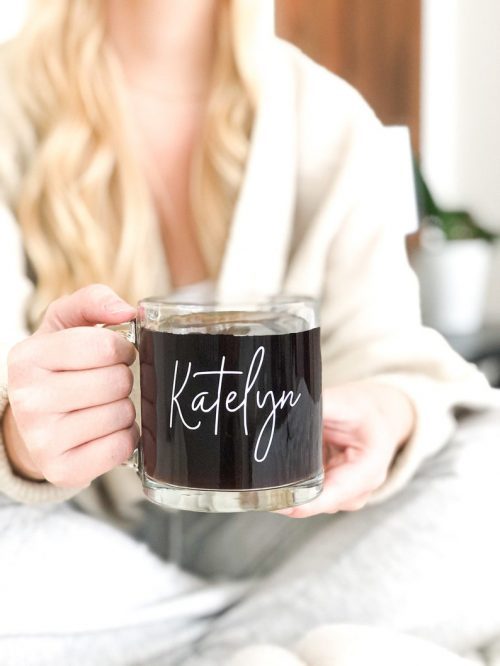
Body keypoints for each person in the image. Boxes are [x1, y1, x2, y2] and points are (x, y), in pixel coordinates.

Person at [1, 1, 499, 664]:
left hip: (268, 523)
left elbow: (389, 350)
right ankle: (260, 639)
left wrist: (390, 411)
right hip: (77, 537)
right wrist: (20, 440)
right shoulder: (10, 103)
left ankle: (187, 645)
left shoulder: (329, 119)